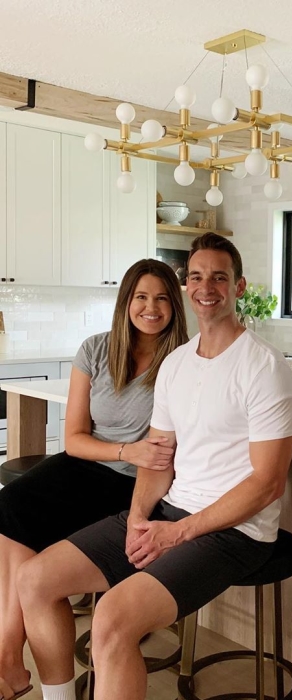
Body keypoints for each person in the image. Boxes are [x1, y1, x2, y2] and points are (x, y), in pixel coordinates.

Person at [17, 233, 292, 700]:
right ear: (186, 286)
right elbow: (158, 457)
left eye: (219, 277)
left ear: (240, 287)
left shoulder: (263, 366)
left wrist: (178, 533)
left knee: (111, 619)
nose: (206, 287)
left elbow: (266, 485)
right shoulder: (176, 365)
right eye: (196, 277)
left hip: (236, 533)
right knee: (35, 579)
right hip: (170, 513)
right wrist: (141, 518)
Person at [0, 259, 188, 700]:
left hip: (135, 483)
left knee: (29, 554)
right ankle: (9, 648)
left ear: (174, 306)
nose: (151, 307)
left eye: (161, 297)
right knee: (9, 504)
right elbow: (74, 440)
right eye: (141, 296)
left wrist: (139, 458)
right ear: (126, 301)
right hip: (91, 463)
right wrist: (126, 448)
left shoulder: (184, 361)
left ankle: (8, 656)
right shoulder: (96, 350)